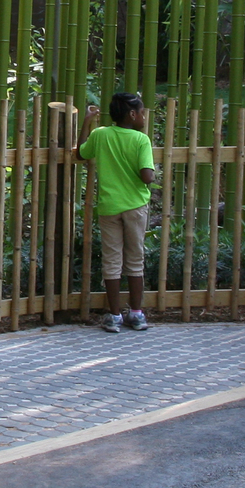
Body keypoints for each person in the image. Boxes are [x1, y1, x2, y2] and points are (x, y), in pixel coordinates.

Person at [80, 93, 161, 331]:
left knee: (112, 261)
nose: (144, 116)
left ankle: (114, 315)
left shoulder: (101, 135)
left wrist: (87, 122)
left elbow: (80, 153)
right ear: (133, 114)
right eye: (142, 112)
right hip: (135, 206)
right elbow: (147, 175)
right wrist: (153, 176)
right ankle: (136, 314)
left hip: (109, 206)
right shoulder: (140, 140)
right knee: (135, 260)